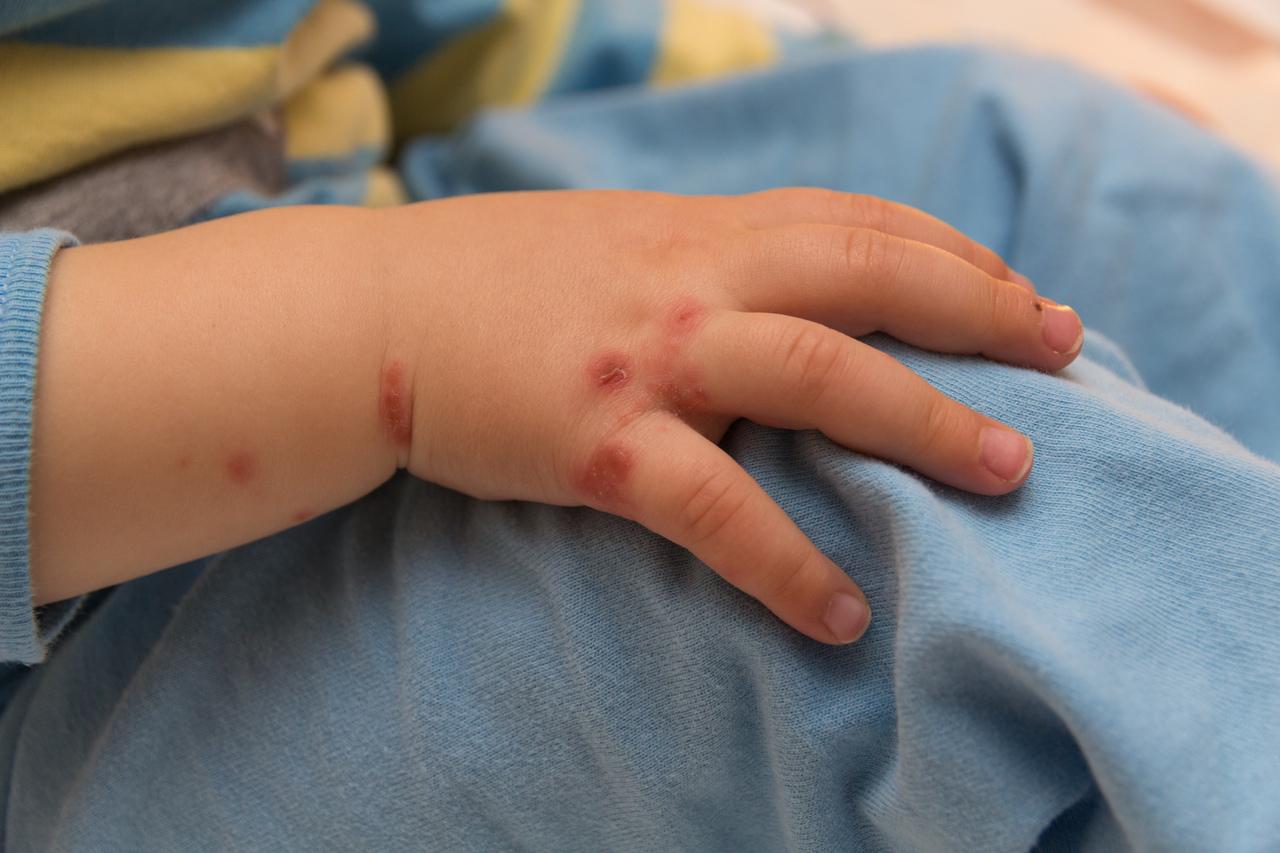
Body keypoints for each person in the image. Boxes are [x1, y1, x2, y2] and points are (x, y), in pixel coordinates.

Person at [2, 3, 1278, 851]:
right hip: (93, 577)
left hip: (366, 197)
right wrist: (386, 328)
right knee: (897, 523)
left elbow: (451, 25)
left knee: (1077, 177)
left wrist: (787, 90)